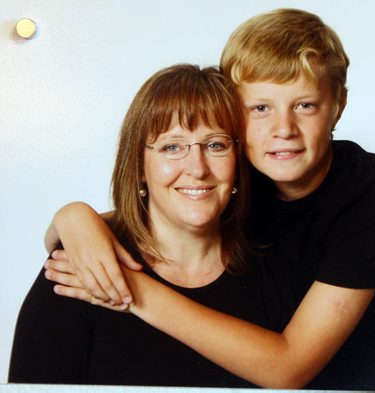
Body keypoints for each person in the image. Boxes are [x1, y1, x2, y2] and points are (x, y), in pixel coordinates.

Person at [40, 8, 375, 392]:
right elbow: (156, 211)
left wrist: (129, 290)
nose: (283, 128)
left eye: (304, 105)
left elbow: (289, 368)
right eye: (260, 108)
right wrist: (73, 219)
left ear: (338, 106)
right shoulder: (251, 176)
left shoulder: (374, 195)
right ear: (234, 112)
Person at [8, 64, 282, 387]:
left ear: (238, 161)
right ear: (138, 165)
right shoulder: (80, 267)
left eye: (215, 145)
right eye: (171, 147)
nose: (197, 167)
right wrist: (72, 213)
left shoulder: (275, 269)